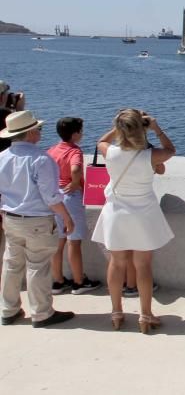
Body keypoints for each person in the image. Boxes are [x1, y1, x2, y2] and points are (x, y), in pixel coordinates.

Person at [91, 109, 175, 332]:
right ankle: (145, 316)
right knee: (143, 266)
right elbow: (170, 150)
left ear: (120, 129)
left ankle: (117, 313)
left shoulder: (110, 152)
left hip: (116, 213)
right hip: (143, 214)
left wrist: (120, 125)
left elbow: (100, 140)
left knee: (116, 263)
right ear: (140, 129)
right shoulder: (150, 156)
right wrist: (155, 128)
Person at [0, 110, 76, 327]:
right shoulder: (41, 159)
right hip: (37, 220)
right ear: (31, 132)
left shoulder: (2, 158)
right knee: (38, 265)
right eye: (39, 129)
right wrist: (66, 217)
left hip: (11, 217)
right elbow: (50, 196)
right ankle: (42, 313)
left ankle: (8, 309)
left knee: (11, 264)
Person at [47, 117, 101, 295]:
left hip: (56, 197)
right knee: (74, 241)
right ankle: (79, 281)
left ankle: (58, 281)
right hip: (71, 196)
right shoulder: (74, 151)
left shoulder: (52, 150)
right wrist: (75, 181)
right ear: (75, 134)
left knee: (59, 241)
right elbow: (76, 169)